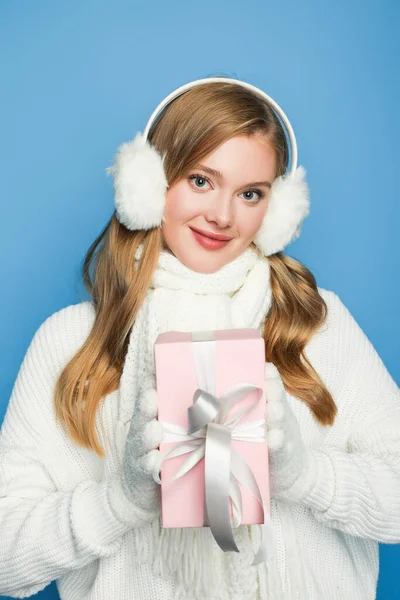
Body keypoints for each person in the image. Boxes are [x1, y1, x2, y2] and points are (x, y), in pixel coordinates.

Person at [0, 76, 399, 600]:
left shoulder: (316, 322)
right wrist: (121, 501)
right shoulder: (71, 342)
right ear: (148, 184)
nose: (222, 216)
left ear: (275, 211)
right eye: (201, 181)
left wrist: (304, 475)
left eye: (251, 194)